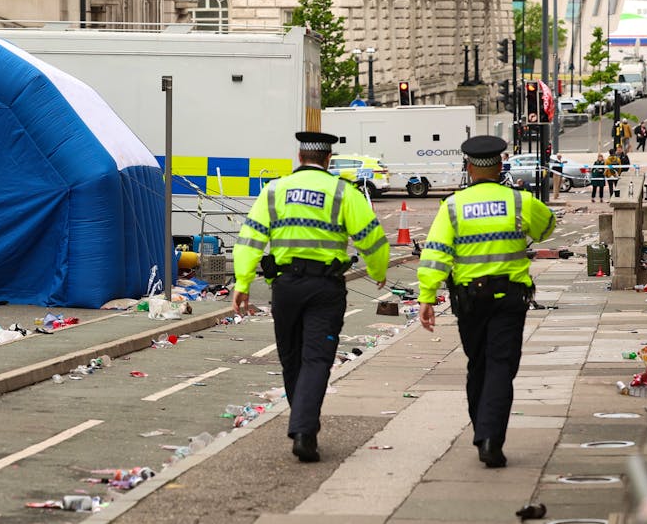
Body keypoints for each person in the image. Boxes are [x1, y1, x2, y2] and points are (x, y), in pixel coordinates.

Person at [232, 131, 389, 463]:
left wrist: (242, 282)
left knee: (291, 359)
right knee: (316, 360)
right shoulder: (342, 192)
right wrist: (378, 271)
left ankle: (303, 424)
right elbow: (371, 237)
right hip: (326, 290)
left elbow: (250, 238)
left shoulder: (274, 191)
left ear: (300, 156)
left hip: (285, 288)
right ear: (328, 159)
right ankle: (304, 429)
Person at [417, 135, 556, 468]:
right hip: (510, 298)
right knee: (500, 366)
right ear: (500, 165)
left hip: (470, 301)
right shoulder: (520, 201)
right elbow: (547, 227)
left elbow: (436, 254)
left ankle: (483, 430)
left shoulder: (452, 206)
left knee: (478, 364)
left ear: (469, 167)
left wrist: (427, 297)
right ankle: (491, 438)